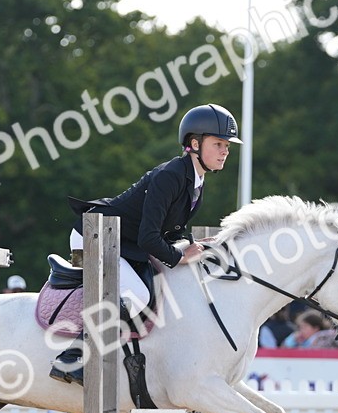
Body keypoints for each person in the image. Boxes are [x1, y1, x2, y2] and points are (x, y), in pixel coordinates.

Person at [50, 102, 241, 384]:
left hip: (124, 241)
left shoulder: (195, 180)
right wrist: (179, 257)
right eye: (218, 143)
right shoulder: (170, 176)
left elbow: (167, 230)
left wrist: (195, 244)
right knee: (138, 295)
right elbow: (149, 238)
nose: (225, 150)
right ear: (194, 143)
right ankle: (72, 359)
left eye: (227, 145)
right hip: (96, 235)